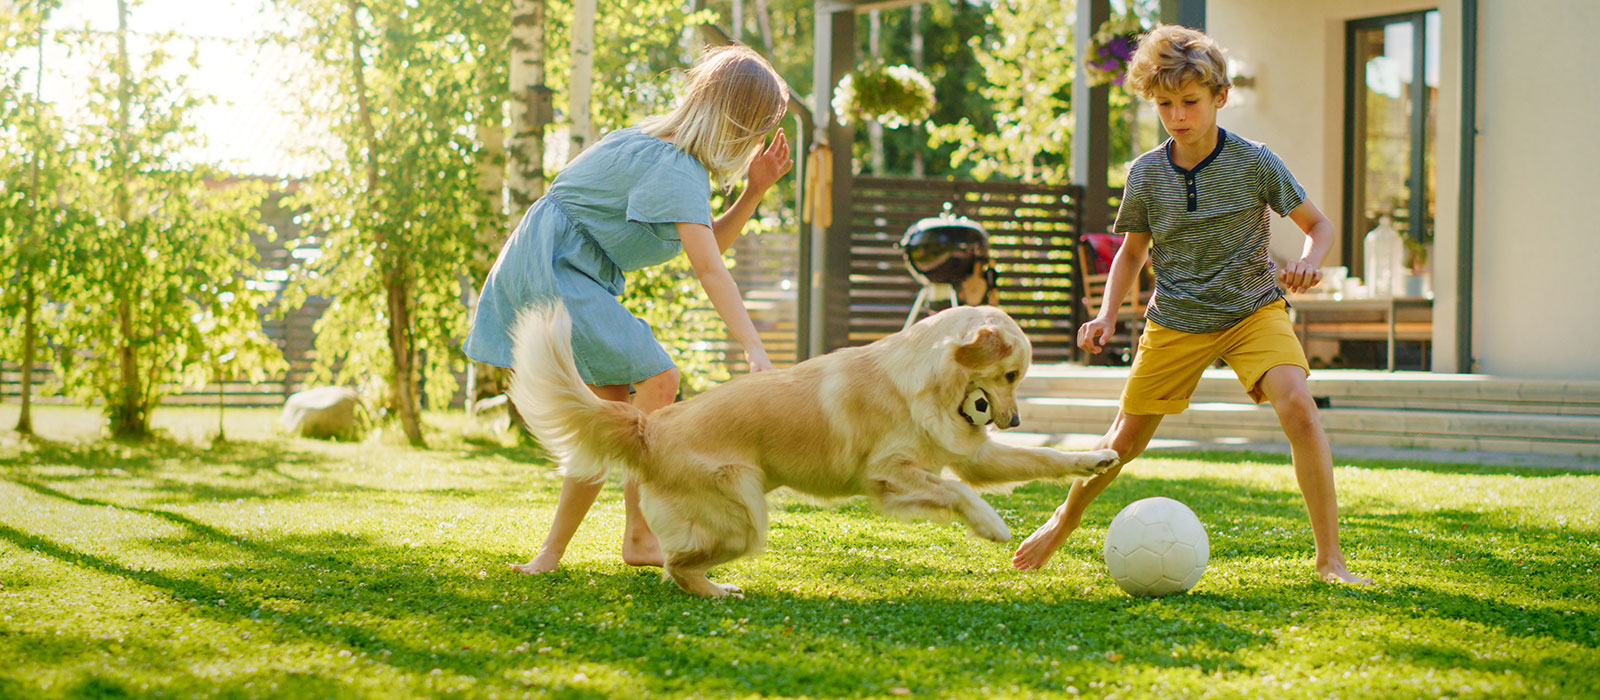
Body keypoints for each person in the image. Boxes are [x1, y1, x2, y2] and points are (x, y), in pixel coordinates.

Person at [1012, 25, 1369, 584]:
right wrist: (1107, 313)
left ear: (1220, 97)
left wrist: (1308, 258)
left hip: (1253, 310)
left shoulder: (1255, 162)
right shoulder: (1147, 174)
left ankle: (1331, 560)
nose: (1178, 115)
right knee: (1121, 443)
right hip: (1176, 318)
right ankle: (1063, 520)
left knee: (1298, 404)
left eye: (1190, 102)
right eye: (1165, 104)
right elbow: (1131, 255)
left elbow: (1318, 226)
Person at [462, 45, 792, 574]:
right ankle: (640, 536)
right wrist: (754, 347)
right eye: (759, 128)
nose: (757, 141)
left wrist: (753, 192)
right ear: (738, 122)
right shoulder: (677, 167)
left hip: (554, 265)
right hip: (555, 268)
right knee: (658, 375)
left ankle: (550, 555)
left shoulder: (665, 153)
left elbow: (705, 251)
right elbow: (709, 271)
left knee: (611, 418)